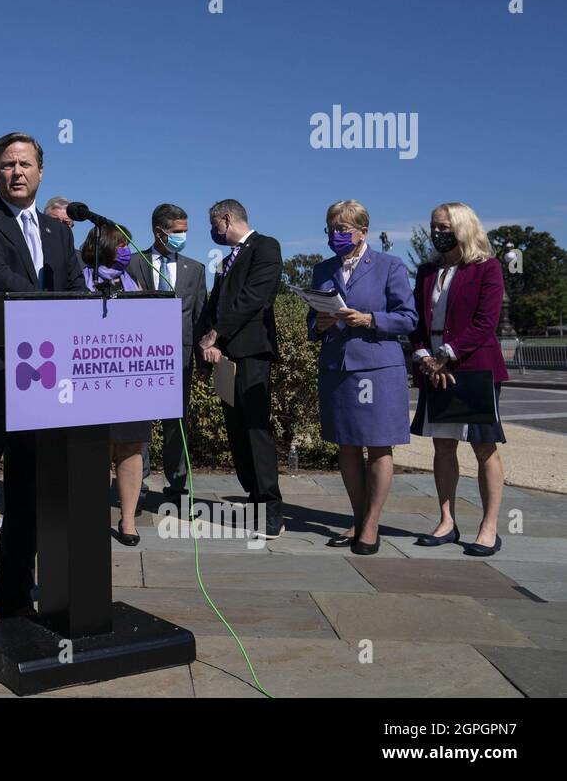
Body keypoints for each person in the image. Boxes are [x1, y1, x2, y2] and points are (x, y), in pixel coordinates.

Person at [0, 131, 85, 624]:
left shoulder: (59, 232)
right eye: (7, 164)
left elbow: (75, 286)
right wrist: (59, 308)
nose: (17, 172)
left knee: (27, 495)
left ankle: (13, 594)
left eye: (25, 163)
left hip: (43, 383)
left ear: (41, 171)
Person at [308, 200, 417, 555]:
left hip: (376, 368)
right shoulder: (322, 270)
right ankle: (357, 517)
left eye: (343, 229)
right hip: (337, 367)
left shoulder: (390, 265)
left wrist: (370, 319)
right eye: (331, 229)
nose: (336, 235)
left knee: (378, 444)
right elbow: (314, 321)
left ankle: (371, 524)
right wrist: (319, 324)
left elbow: (408, 318)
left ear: (363, 232)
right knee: (347, 444)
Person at [410, 202, 509, 556]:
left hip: (474, 367)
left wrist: (447, 354)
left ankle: (489, 526)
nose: (437, 233)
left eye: (444, 227)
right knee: (443, 446)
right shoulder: (425, 272)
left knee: (483, 447)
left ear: (464, 228)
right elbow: (417, 322)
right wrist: (423, 354)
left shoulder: (487, 268)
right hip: (435, 370)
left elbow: (486, 323)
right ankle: (447, 521)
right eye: (434, 227)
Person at [199, 199, 285, 539]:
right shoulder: (225, 260)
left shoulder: (265, 246)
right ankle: (252, 496)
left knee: (255, 428)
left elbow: (253, 297)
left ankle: (270, 507)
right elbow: (215, 303)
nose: (213, 233)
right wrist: (210, 343)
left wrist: (216, 333)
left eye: (214, 225)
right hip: (225, 357)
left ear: (225, 218)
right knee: (235, 430)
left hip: (252, 353)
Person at [129, 203, 208, 499]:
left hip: (180, 360)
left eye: (185, 231)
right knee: (140, 421)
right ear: (158, 231)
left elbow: (200, 317)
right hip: (140, 358)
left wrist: (202, 362)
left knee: (176, 422)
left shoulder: (195, 269)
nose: (182, 236)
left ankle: (176, 482)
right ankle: (140, 480)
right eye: (177, 231)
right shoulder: (133, 263)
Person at [79, 221, 150, 546]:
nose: (127, 252)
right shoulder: (80, 277)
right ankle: (91, 517)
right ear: (104, 245)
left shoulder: (131, 279)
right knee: (96, 448)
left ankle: (128, 520)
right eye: (122, 245)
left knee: (131, 447)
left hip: (128, 380)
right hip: (89, 380)